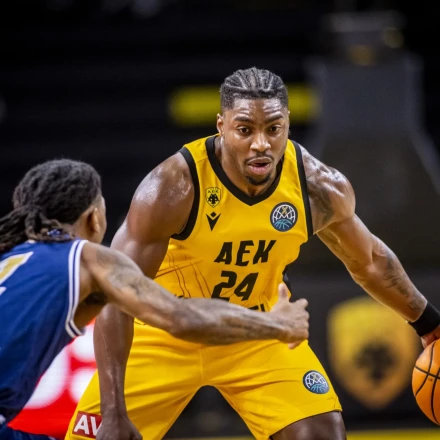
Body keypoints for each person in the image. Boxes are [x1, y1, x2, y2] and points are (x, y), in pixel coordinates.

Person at [67, 67, 440, 440]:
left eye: (273, 129)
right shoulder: (173, 187)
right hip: (162, 331)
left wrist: (429, 324)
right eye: (245, 130)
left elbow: (369, 261)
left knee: (321, 433)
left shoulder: (317, 187)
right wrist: (113, 412)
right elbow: (115, 294)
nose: (261, 143)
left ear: (288, 124)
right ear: (222, 126)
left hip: (259, 329)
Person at [0, 159, 311, 440]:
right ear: (94, 218)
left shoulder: (8, 255)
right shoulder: (89, 259)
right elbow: (182, 318)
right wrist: (276, 323)